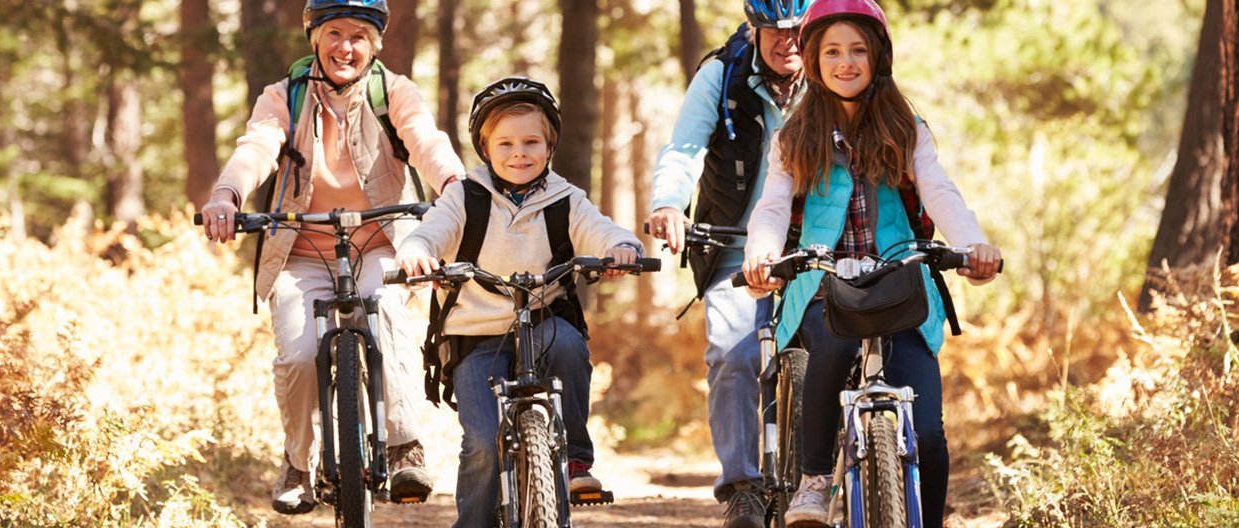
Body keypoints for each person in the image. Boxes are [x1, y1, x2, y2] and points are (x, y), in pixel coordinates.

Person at [738, 0, 1003, 526]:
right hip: (823, 278)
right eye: (832, 51)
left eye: (858, 50)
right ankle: (815, 480)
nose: (846, 62)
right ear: (812, 60)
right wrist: (761, 256)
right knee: (830, 344)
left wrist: (973, 244)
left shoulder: (906, 125)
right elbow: (772, 205)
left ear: (878, 56)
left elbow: (939, 190)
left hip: (899, 281)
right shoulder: (795, 134)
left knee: (926, 431)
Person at [197, 0, 464, 515]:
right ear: (314, 38)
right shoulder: (285, 97)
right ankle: (298, 462)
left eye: (359, 36)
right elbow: (256, 147)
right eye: (335, 33)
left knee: (387, 315)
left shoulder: (394, 92)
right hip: (301, 248)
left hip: (380, 243)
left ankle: (404, 442)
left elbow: (426, 140)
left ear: (375, 45)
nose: (346, 46)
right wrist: (226, 194)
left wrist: (453, 182)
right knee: (297, 355)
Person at [396, 77, 643, 528]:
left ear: (549, 146)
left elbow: (601, 229)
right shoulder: (463, 196)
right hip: (475, 335)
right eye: (505, 143)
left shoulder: (565, 198)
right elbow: (429, 232)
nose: (519, 153)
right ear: (485, 148)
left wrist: (622, 246)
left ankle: (575, 467)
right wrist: (416, 252)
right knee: (482, 441)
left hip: (543, 321)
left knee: (569, 347)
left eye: (531, 141)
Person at [642, 1, 810, 525]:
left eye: (797, 31)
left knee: (835, 354)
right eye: (773, 31)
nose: (787, 42)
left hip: (816, 241)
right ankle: (742, 486)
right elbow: (684, 148)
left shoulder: (834, 67)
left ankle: (824, 478)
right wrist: (668, 203)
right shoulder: (722, 74)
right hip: (734, 241)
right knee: (734, 353)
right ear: (753, 29)